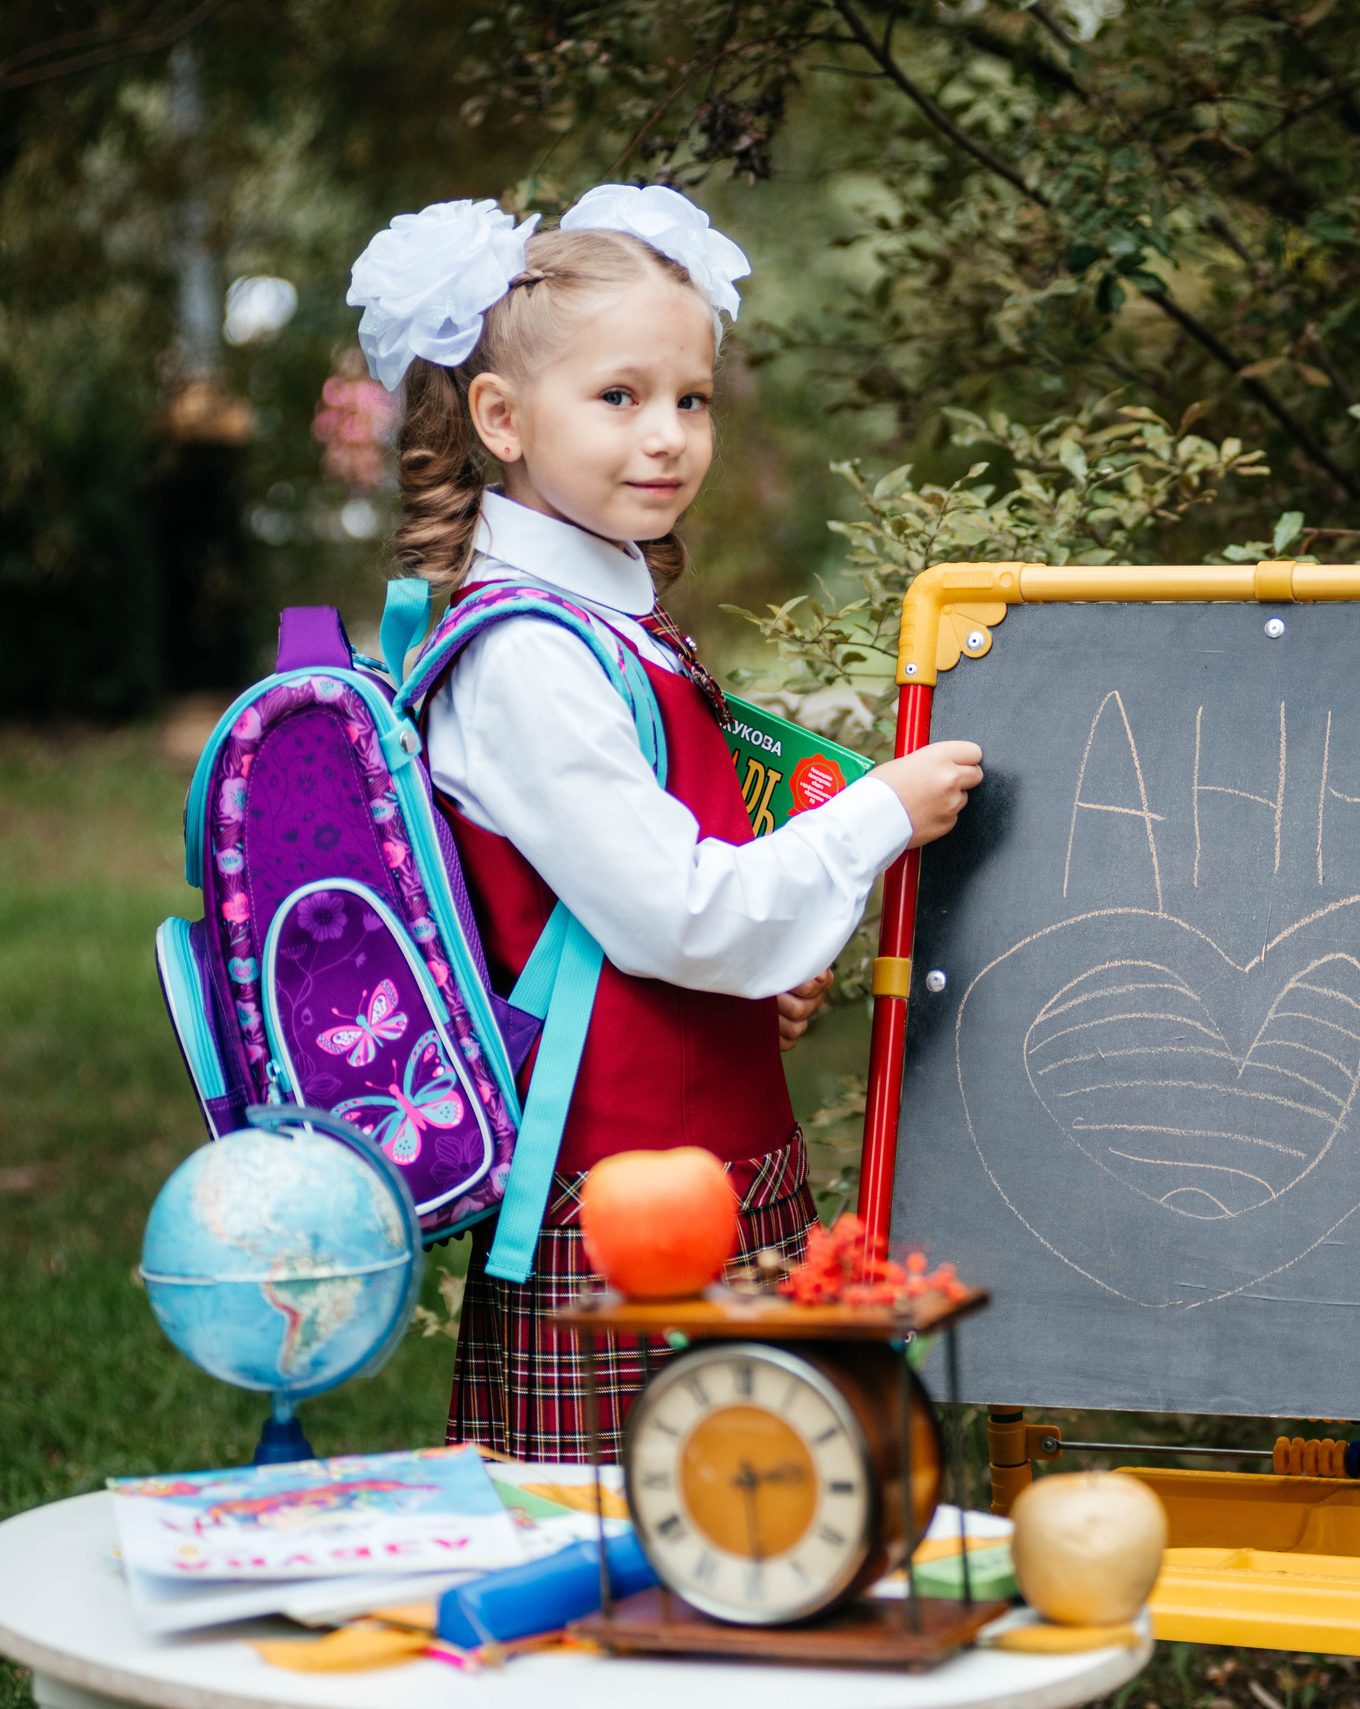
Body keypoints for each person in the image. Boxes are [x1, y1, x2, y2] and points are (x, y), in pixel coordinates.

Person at [345, 187, 983, 1461]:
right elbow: (677, 910)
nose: (668, 436)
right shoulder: (527, 652)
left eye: (690, 398)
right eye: (620, 397)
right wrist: (875, 817)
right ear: (501, 419)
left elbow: (634, 909)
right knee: (626, 1555)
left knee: (753, 1526)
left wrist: (746, 988)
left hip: (710, 1160)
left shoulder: (608, 623)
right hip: (618, 1197)